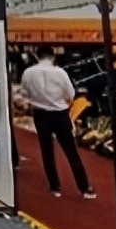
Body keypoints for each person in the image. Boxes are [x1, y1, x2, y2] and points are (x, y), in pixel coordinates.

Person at [18, 46, 95, 199]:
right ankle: (84, 188)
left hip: (40, 114)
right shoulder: (60, 72)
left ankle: (55, 187)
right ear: (53, 57)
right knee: (71, 151)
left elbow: (24, 93)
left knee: (46, 150)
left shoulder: (28, 73)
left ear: (37, 56)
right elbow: (71, 94)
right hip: (60, 114)